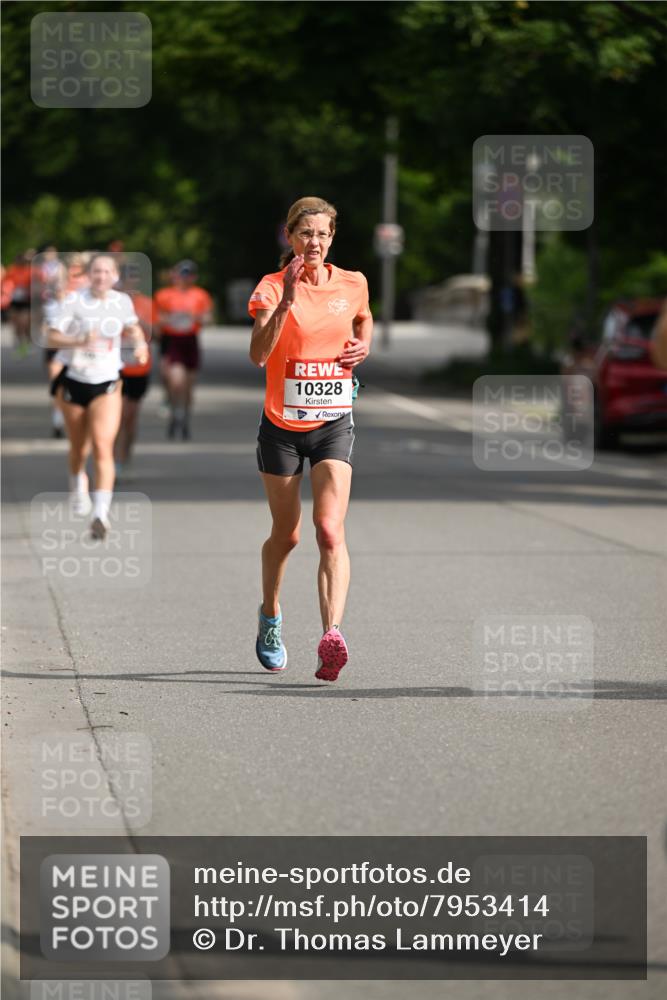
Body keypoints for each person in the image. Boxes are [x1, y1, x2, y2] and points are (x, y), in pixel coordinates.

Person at [248, 196, 373, 682]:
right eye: (305, 234)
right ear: (290, 237)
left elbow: (362, 318)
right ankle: (270, 616)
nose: (313, 242)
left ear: (332, 237)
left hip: (332, 424)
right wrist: (288, 304)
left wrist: (366, 344)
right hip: (280, 427)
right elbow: (258, 355)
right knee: (288, 535)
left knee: (329, 530)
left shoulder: (354, 283)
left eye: (322, 234)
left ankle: (331, 636)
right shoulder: (271, 286)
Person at [47, 254, 148, 538]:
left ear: (114, 276)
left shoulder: (121, 302)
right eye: (96, 271)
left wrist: (140, 345)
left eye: (106, 271)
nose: (101, 276)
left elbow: (133, 328)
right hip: (75, 380)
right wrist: (77, 340)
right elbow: (51, 336)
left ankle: (101, 513)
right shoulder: (73, 301)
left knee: (104, 446)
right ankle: (77, 483)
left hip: (107, 381)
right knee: (80, 447)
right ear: (89, 275)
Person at [153, 260, 213, 439]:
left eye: (188, 275)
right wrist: (166, 322)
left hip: (190, 341)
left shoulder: (200, 295)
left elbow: (208, 318)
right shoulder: (163, 295)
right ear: (174, 275)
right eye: (181, 274)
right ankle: (173, 409)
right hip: (171, 341)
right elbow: (156, 321)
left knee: (188, 385)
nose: (184, 278)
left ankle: (184, 417)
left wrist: (196, 317)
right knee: (175, 381)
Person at [115, 265, 154, 476]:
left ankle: (126, 454)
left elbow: (154, 334)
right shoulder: (111, 304)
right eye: (127, 279)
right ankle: (115, 461)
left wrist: (138, 322)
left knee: (131, 416)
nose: (131, 284)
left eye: (134, 280)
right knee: (119, 415)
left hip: (139, 368)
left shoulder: (146, 304)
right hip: (115, 368)